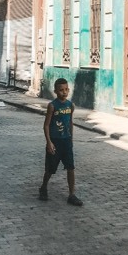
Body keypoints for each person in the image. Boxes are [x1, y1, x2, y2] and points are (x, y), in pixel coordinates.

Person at [38, 78, 83, 206]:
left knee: (71, 167)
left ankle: (71, 194)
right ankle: (44, 187)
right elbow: (46, 125)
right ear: (55, 91)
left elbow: (70, 123)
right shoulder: (52, 106)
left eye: (66, 89)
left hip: (66, 142)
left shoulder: (70, 105)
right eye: (61, 90)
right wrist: (49, 142)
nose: (64, 92)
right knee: (50, 169)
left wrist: (71, 139)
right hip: (55, 142)